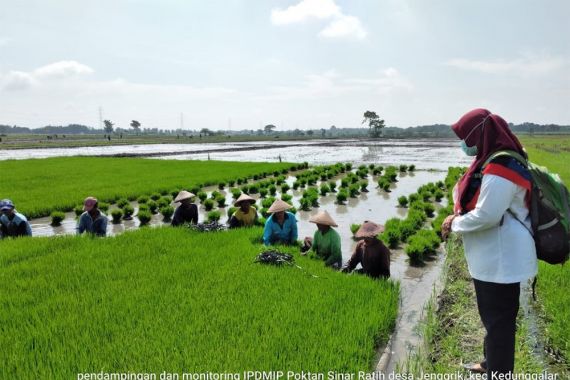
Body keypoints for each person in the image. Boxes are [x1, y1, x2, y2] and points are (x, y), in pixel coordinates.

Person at [441, 108, 537, 378]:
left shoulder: (501, 167)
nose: (464, 144)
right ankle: (489, 362)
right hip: (493, 257)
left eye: (465, 137)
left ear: (478, 135)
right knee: (493, 318)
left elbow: (487, 215)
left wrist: (453, 223)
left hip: (502, 259)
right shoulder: (492, 161)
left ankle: (498, 373)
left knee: (499, 323)